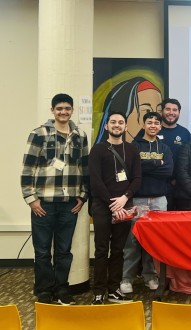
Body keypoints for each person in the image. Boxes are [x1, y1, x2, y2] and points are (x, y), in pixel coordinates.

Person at [21, 93, 89, 305]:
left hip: (70, 203)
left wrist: (83, 196)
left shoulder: (80, 135)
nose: (63, 112)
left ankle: (61, 288)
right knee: (42, 251)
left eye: (67, 108)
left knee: (64, 251)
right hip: (43, 203)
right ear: (52, 110)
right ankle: (43, 290)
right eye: (59, 108)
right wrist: (31, 199)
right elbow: (28, 168)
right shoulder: (39, 134)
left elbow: (84, 168)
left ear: (72, 111)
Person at [89, 111, 141, 305]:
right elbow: (95, 181)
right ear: (106, 126)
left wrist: (124, 198)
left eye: (120, 122)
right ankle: (98, 292)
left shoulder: (132, 150)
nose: (117, 125)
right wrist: (113, 204)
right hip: (103, 207)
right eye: (113, 122)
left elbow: (137, 179)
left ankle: (114, 290)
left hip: (124, 206)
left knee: (119, 250)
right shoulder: (98, 150)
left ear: (126, 127)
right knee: (102, 250)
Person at [120, 112, 173, 295]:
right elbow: (134, 170)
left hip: (159, 200)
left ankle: (150, 276)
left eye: (156, 123)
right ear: (143, 124)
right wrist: (155, 163)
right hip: (138, 199)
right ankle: (127, 278)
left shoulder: (165, 147)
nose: (153, 125)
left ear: (160, 126)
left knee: (155, 240)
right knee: (133, 240)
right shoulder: (134, 146)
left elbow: (168, 171)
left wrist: (146, 165)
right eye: (149, 122)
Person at [95, 77, 163, 144]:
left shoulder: (162, 147)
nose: (154, 118)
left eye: (159, 110)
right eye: (147, 110)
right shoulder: (100, 149)